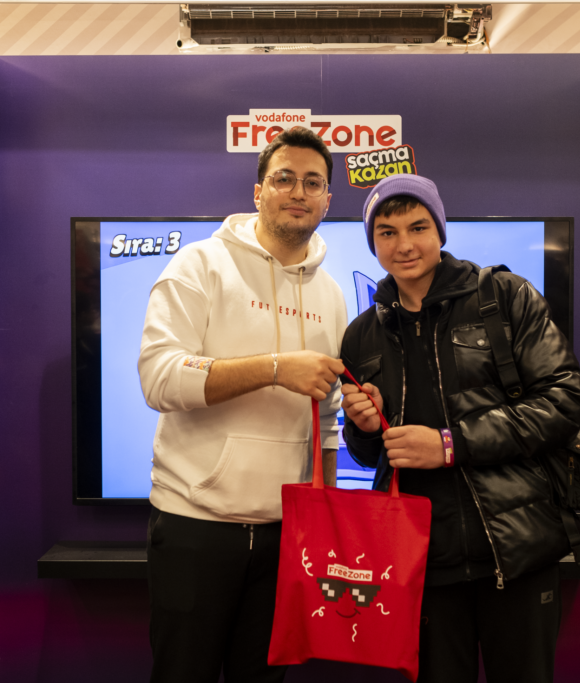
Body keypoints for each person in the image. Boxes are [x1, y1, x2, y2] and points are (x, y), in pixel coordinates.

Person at [339, 174, 580, 683]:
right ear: (373, 243)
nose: (404, 245)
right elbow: (368, 454)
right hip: (422, 564)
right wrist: (363, 428)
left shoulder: (504, 296)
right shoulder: (362, 335)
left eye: (418, 227)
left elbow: (565, 401)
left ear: (440, 230)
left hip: (517, 554)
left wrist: (450, 445)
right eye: (387, 232)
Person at [138, 126, 347, 683]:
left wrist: (322, 516)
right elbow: (159, 379)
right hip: (194, 528)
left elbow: (327, 419)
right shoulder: (198, 265)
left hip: (286, 536)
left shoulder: (330, 293)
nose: (298, 192)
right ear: (258, 192)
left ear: (327, 200)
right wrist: (275, 367)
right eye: (284, 179)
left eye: (313, 182)